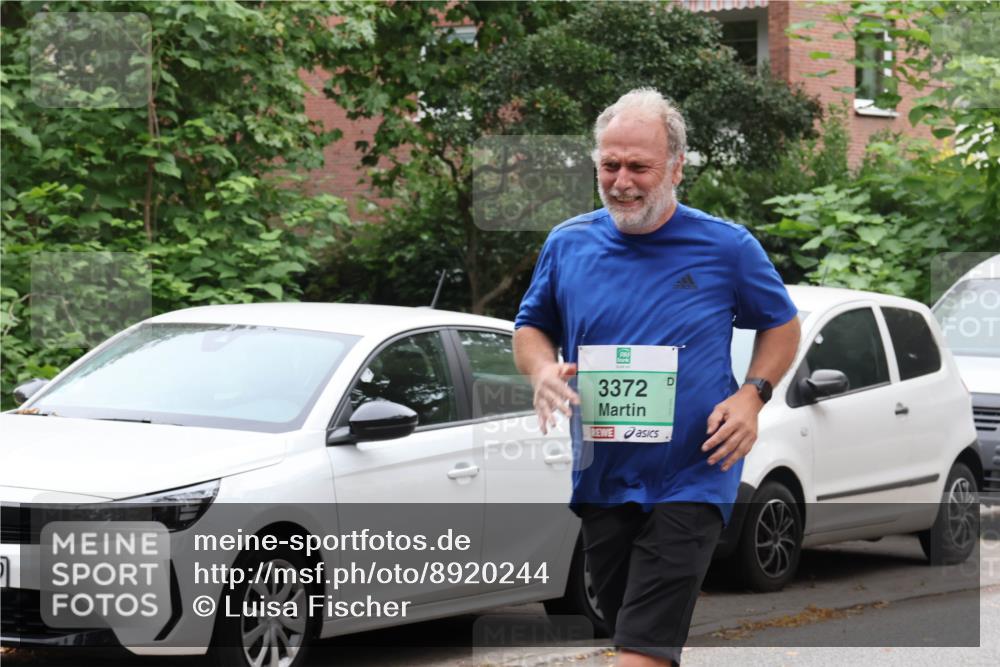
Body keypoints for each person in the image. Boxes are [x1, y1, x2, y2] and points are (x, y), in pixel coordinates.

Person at [512, 88, 801, 667]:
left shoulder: (726, 248)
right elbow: (530, 327)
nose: (622, 181)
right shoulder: (569, 244)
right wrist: (542, 369)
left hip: (695, 473)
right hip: (604, 475)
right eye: (609, 165)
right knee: (635, 634)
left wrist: (753, 396)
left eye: (638, 167)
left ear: (676, 168)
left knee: (640, 647)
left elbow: (782, 326)